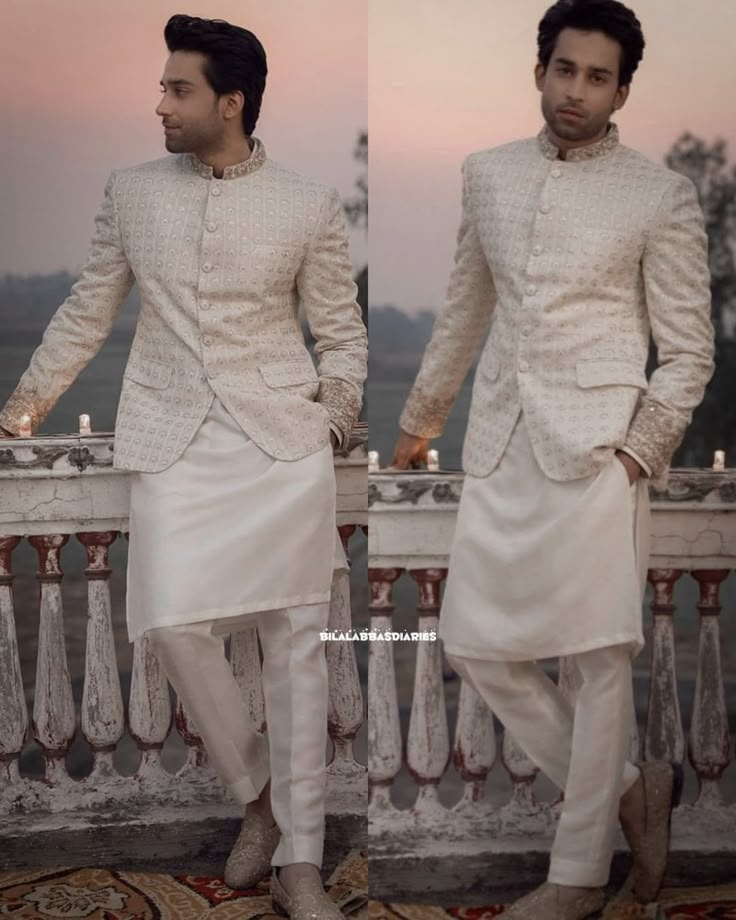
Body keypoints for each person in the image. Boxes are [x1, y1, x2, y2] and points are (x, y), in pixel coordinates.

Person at [0, 14, 366, 920]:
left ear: (230, 102)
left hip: (282, 446)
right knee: (168, 621)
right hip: (170, 438)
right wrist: (19, 410)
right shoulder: (132, 193)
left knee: (298, 652)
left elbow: (342, 330)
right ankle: (261, 803)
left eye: (178, 89)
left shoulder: (309, 204)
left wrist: (336, 416)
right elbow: (87, 312)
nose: (159, 103)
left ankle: (303, 865)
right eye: (163, 87)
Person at [391, 1, 714, 916]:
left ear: (622, 90)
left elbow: (687, 349)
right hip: (499, 445)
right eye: (565, 70)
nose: (577, 91)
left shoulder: (660, 195)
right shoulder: (486, 175)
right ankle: (626, 792)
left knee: (598, 658)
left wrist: (636, 456)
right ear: (540, 71)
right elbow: (464, 310)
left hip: (600, 454)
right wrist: (420, 422)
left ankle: (575, 878)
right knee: (474, 643)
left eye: (599, 78)